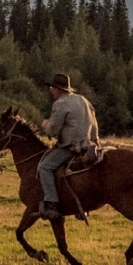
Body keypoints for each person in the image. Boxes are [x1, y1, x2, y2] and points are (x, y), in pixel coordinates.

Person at [36, 72, 98, 220]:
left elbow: (52, 130)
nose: (50, 91)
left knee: (44, 167)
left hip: (72, 147)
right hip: (90, 145)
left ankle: (51, 204)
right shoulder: (83, 100)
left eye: (52, 88)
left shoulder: (60, 104)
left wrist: (44, 124)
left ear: (58, 89)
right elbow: (94, 121)